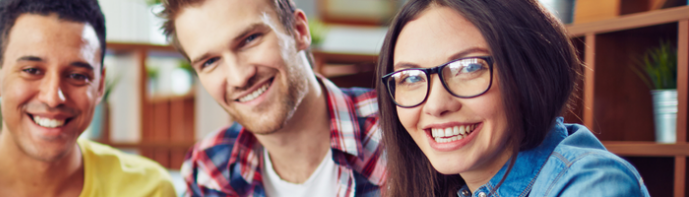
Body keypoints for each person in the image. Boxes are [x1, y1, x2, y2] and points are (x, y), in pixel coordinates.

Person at [376, 0, 650, 196]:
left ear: (530, 71)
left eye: (469, 68)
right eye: (410, 77)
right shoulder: (443, 186)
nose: (436, 105)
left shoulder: (592, 183)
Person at [0, 0, 176, 196]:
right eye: (32, 71)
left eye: (77, 75)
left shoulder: (148, 190)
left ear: (100, 86)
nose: (53, 97)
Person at [159, 0, 385, 196]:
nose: (239, 77)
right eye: (209, 62)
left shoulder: (397, 130)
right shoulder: (207, 170)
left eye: (249, 39)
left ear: (299, 31)